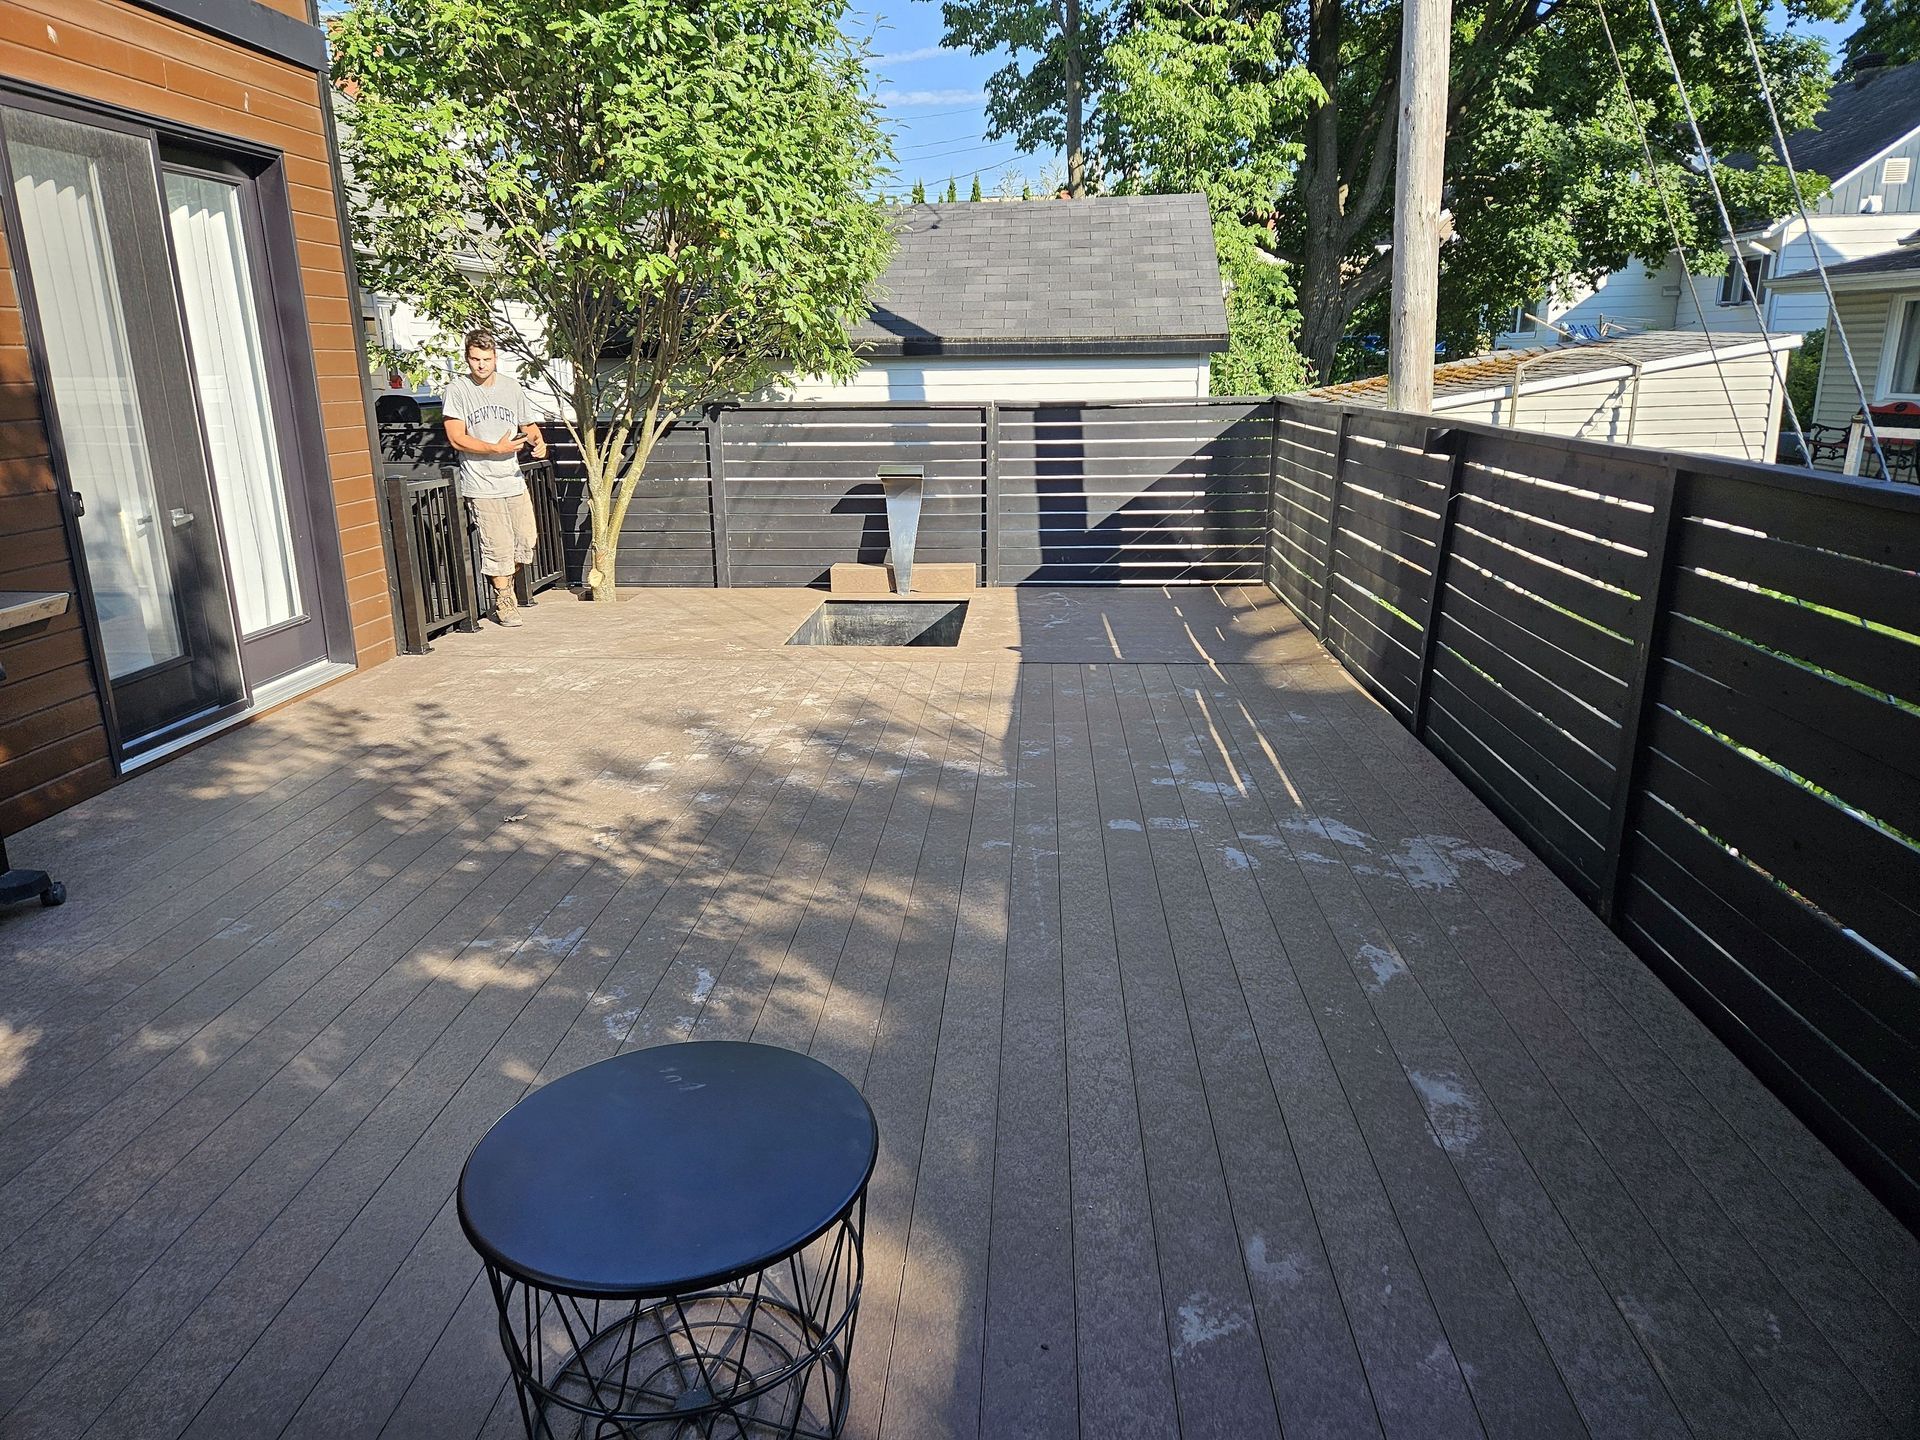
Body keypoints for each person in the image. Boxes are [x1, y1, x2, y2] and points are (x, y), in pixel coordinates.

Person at [442, 330, 547, 627]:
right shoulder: (458, 390)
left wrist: (537, 442)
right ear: (467, 358)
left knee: (526, 540)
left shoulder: (511, 388)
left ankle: (506, 585)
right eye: (475, 359)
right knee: (497, 545)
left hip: (512, 478)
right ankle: (503, 599)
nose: (481, 365)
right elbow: (456, 438)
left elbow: (528, 426)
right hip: (481, 482)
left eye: (487, 359)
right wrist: (494, 448)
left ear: (495, 358)